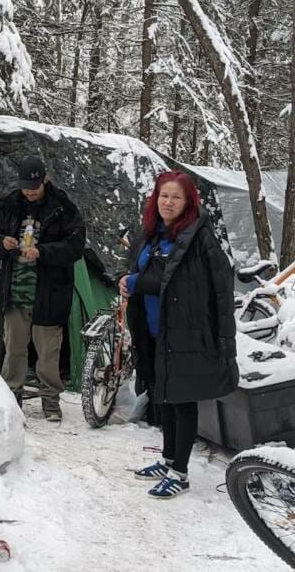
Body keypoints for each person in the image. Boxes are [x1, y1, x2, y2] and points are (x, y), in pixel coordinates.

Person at [120, 171, 237, 498]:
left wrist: (136, 284)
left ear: (188, 202)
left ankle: (180, 473)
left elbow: (201, 287)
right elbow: (145, 272)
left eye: (175, 197)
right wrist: (129, 281)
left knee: (182, 402)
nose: (167, 202)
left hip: (187, 332)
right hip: (155, 330)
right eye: (163, 196)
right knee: (163, 397)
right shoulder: (152, 234)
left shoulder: (199, 238)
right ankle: (168, 458)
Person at [0, 156, 85, 421]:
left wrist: (42, 252)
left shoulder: (63, 208)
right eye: (25, 186)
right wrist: (0, 242)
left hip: (49, 294)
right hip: (15, 290)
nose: (29, 191)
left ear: (45, 179)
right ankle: (12, 394)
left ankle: (50, 399)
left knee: (48, 353)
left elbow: (75, 247)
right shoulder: (10, 204)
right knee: (14, 348)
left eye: (34, 186)